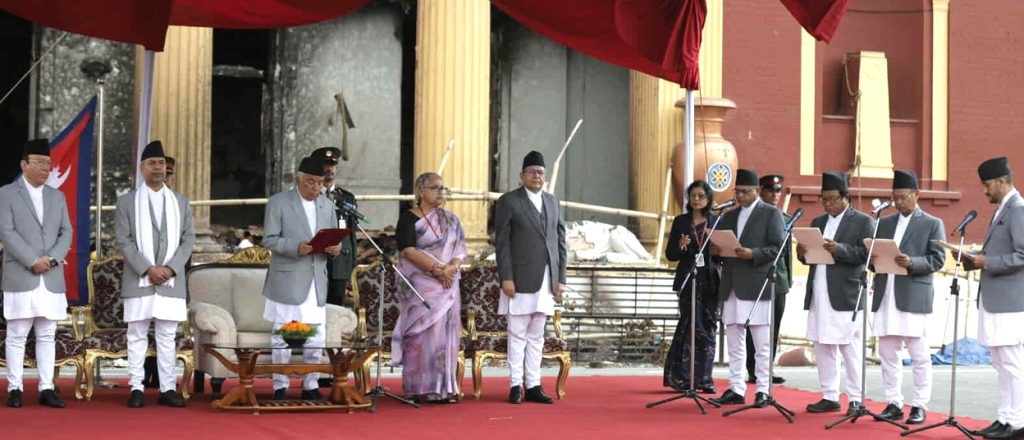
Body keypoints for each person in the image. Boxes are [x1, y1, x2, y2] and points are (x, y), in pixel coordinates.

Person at [114, 140, 195, 408]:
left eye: (161, 163)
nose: (157, 168)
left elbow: (188, 239)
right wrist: (148, 269)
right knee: (136, 334)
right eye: (152, 163)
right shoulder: (127, 202)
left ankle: (167, 388)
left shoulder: (180, 202)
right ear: (142, 168)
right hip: (139, 278)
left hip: (171, 279)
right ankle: (136, 387)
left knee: (167, 336)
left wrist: (170, 269)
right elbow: (124, 241)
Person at [261, 156, 342, 400]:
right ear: (299, 179)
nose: (316, 187)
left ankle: (311, 384)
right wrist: (296, 246)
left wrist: (335, 248)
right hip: (288, 278)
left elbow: (334, 238)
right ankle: (280, 385)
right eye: (310, 182)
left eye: (320, 183)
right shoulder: (279, 202)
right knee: (284, 335)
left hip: (316, 279)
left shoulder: (327, 205)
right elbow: (269, 239)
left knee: (315, 335)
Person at [955, 157, 1024, 440]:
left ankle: (1018, 423)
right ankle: (1004, 418)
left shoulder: (1018, 209)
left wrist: (987, 261)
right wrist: (973, 259)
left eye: (987, 185)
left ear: (1001, 181)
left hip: (1010, 302)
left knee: (1012, 363)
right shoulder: (1003, 209)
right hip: (996, 299)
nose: (984, 191)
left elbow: (1022, 255)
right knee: (1000, 363)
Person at [0, 138, 72, 408]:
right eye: (39, 162)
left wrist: (51, 260)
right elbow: (6, 231)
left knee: (47, 334)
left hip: (50, 276)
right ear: (24, 164)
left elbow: (67, 232)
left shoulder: (57, 196)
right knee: (17, 334)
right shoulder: (6, 193)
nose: (45, 168)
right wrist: (32, 260)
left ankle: (47, 388)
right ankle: (15, 388)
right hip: (22, 273)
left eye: (48, 163)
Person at [870, 169, 945, 425]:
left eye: (903, 197)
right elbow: (876, 257)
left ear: (916, 194)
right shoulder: (885, 223)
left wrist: (912, 262)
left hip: (913, 294)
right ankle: (894, 402)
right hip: (886, 293)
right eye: (895, 197)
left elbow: (938, 259)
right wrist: (873, 259)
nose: (899, 202)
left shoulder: (932, 223)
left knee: (919, 355)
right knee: (888, 352)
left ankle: (920, 405)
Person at [797, 171, 873, 416]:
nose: (827, 204)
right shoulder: (818, 221)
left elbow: (866, 255)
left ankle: (856, 398)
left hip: (846, 292)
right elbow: (809, 257)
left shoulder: (862, 221)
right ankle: (830, 395)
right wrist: (802, 253)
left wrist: (839, 249)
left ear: (845, 197)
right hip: (819, 291)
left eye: (832, 199)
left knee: (849, 347)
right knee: (822, 344)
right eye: (824, 199)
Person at [494, 150, 566, 405]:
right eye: (532, 172)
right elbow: (502, 243)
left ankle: (533, 384)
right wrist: (506, 277)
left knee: (537, 334)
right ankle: (515, 385)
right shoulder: (509, 201)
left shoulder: (553, 201)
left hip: (547, 278)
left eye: (541, 172)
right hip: (519, 278)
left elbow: (560, 242)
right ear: (521, 175)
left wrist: (561, 278)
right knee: (517, 333)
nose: (537, 176)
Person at [709, 169, 785, 407]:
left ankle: (763, 389)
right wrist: (716, 251)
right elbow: (723, 248)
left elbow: (778, 249)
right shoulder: (729, 216)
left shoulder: (771, 214)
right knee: (734, 341)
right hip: (731, 284)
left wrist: (753, 254)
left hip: (756, 285)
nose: (740, 196)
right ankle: (736, 388)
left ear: (757, 191)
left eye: (745, 192)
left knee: (762, 343)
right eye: (738, 191)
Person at [392, 172, 467, 403]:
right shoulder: (408, 218)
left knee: (444, 339)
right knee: (419, 337)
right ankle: (415, 388)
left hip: (447, 287)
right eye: (435, 188)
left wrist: (450, 268)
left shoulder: (451, 220)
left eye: (443, 188)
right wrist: (438, 270)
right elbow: (408, 251)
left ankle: (441, 389)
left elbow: (460, 250)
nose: (441, 192)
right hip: (419, 289)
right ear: (420, 191)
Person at [663, 180, 720, 394]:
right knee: (689, 325)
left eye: (701, 196)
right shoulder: (681, 221)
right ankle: (683, 377)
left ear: (708, 199)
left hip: (710, 280)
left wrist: (717, 252)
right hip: (689, 279)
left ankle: (705, 378)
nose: (696, 200)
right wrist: (680, 246)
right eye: (693, 196)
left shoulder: (717, 221)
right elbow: (670, 255)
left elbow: (724, 254)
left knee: (708, 327)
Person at [746, 174, 791, 386]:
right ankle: (753, 370)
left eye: (778, 191)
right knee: (754, 326)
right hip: (756, 277)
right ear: (761, 192)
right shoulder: (753, 217)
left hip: (778, 279)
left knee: (773, 326)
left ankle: (767, 369)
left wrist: (788, 280)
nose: (775, 194)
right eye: (770, 190)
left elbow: (787, 255)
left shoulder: (786, 218)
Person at [310, 147, 358, 308]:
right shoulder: (308, 197)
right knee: (314, 307)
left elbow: (352, 235)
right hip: (316, 262)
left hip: (340, 264)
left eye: (332, 165)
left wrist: (352, 266)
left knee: (336, 308)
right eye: (325, 165)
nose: (329, 169)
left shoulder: (346, 198)